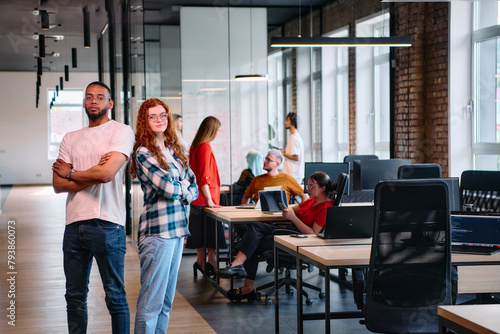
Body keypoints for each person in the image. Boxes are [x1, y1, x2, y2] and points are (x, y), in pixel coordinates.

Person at [52, 81, 134, 334]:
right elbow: (57, 184)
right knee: (74, 296)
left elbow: (107, 174)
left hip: (107, 223)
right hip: (73, 224)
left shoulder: (120, 131)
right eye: (89, 97)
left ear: (110, 104)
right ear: (84, 103)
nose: (94, 101)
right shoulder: (70, 137)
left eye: (100, 97)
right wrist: (92, 174)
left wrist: (73, 173)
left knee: (115, 296)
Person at [129, 99, 198, 333]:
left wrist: (182, 188)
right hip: (158, 234)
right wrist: (183, 188)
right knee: (151, 303)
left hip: (178, 231)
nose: (160, 120)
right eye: (153, 116)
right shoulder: (143, 153)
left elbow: (195, 186)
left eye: (163, 115)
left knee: (166, 303)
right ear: (144, 122)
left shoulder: (173, 151)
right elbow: (168, 189)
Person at [218, 172, 336, 301]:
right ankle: (238, 266)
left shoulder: (325, 208)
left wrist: (293, 218)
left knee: (252, 241)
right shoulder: (311, 201)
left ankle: (245, 283)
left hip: (297, 239)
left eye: (312, 186)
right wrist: (289, 212)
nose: (308, 189)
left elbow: (312, 233)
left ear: (323, 188)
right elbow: (293, 208)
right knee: (255, 228)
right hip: (288, 231)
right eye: (307, 185)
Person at [186, 116, 224, 277]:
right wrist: (210, 200)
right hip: (206, 199)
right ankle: (211, 262)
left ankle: (201, 262)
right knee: (211, 231)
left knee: (199, 231)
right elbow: (204, 176)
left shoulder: (195, 146)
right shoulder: (205, 146)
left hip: (197, 198)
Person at [241, 149, 308, 205]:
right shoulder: (257, 179)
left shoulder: (287, 178)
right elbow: (246, 197)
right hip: (260, 217)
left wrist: (300, 211)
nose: (264, 161)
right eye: (265, 159)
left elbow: (304, 196)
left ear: (277, 164)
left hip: (281, 217)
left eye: (268, 160)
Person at [279, 112, 305, 184]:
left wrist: (282, 153)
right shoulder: (294, 137)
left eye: (287, 120)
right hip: (293, 174)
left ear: (292, 122)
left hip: (293, 174)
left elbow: (296, 157)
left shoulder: (294, 138)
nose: (285, 122)